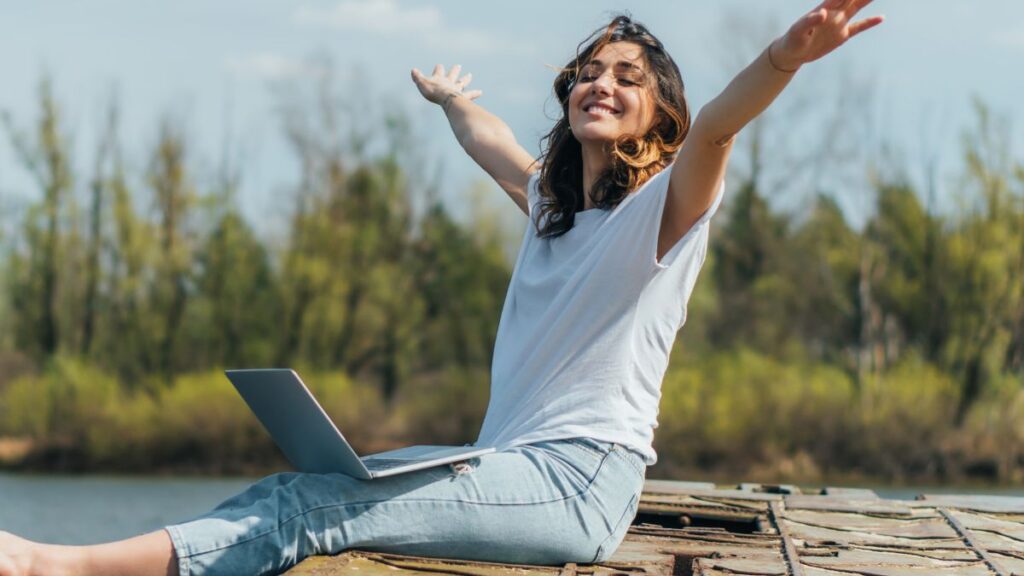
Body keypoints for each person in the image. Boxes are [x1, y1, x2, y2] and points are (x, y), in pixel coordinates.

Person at [0, 2, 883, 575]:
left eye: (628, 78)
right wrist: (453, 101)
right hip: (506, 467)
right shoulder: (553, 208)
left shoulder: (663, 213)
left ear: (660, 117)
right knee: (302, 481)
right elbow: (489, 140)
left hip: (578, 484)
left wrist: (783, 57)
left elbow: (720, 132)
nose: (601, 84)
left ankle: (54, 569)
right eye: (591, 70)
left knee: (321, 506)